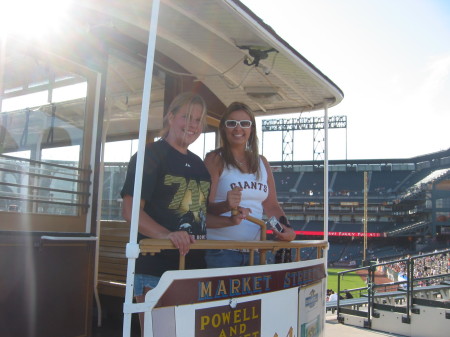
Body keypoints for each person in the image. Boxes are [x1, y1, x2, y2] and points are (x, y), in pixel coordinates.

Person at [121, 92, 241, 335]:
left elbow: (199, 217)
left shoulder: (199, 165)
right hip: (156, 270)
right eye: (186, 117)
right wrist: (168, 235)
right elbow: (130, 211)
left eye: (197, 120)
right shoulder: (150, 155)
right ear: (170, 116)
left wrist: (230, 217)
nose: (192, 125)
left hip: (195, 270)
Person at [204, 101, 296, 268]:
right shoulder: (215, 159)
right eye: (232, 123)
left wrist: (286, 229)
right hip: (221, 250)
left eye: (244, 123)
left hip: (255, 250)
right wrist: (226, 206)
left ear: (252, 129)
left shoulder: (262, 162)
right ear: (224, 128)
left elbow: (272, 206)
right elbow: (204, 209)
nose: (238, 129)